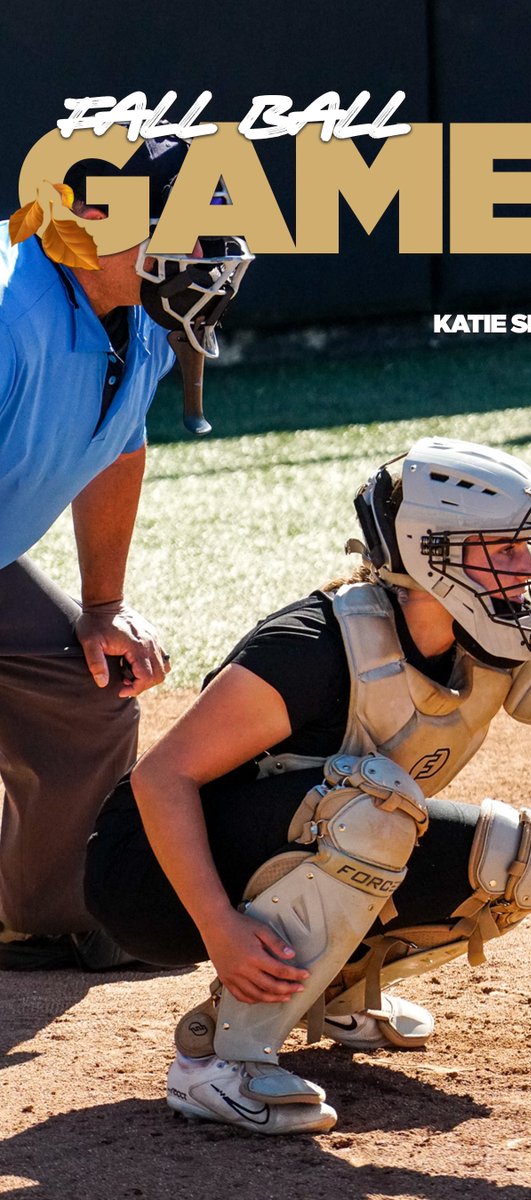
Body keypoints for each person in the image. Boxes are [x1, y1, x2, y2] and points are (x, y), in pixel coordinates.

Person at [84, 435, 531, 1135]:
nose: (527, 565)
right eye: (502, 546)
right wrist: (220, 926)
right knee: (369, 811)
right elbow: (161, 777)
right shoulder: (313, 645)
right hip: (152, 880)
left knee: (518, 860)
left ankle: (326, 987)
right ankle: (219, 1060)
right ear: (432, 555)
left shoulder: (489, 632)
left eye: (525, 544)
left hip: (274, 852)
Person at [0, 136, 253, 969]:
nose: (208, 255)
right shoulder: (10, 310)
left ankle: (41, 913)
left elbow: (118, 449)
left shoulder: (137, 320)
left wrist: (102, 606)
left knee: (87, 689)